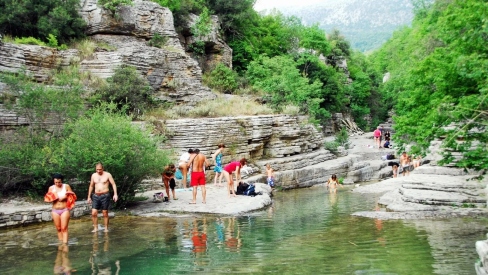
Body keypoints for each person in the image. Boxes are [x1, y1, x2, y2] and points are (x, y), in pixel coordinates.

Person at [45, 173, 76, 244]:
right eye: (56, 182)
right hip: (55, 210)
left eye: (59, 182)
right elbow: (48, 199)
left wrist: (64, 197)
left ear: (61, 181)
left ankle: (65, 245)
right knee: (58, 229)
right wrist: (54, 197)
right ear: (54, 181)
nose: (57, 184)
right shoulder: (51, 188)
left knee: (64, 228)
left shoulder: (66, 186)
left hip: (64, 209)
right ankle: (61, 244)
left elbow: (72, 196)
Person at [87, 162, 118, 232]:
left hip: (105, 195)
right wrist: (89, 197)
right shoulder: (93, 175)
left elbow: (113, 184)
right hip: (96, 195)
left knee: (105, 212)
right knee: (94, 212)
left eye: (100, 169)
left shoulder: (107, 175)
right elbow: (91, 186)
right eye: (97, 169)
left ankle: (106, 228)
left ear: (102, 168)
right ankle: (95, 228)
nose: (98, 171)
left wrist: (115, 194)